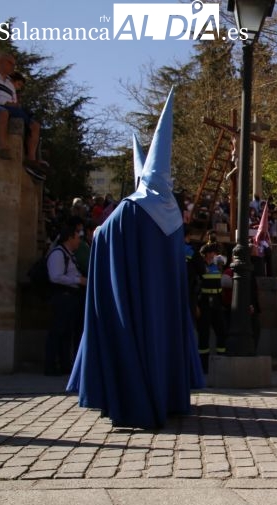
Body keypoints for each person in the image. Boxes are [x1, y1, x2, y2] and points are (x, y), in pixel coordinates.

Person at [67, 89, 204, 428]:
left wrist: (100, 234)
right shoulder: (174, 215)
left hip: (133, 296)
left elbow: (102, 236)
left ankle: (138, 399)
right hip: (163, 301)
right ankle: (168, 395)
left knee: (139, 332)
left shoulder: (130, 209)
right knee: (162, 330)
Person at [44, 223, 87, 375]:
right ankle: (50, 366)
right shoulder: (58, 254)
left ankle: (64, 365)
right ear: (69, 237)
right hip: (62, 298)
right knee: (57, 332)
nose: (79, 241)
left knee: (67, 334)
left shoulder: (69, 254)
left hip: (71, 299)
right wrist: (77, 280)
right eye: (77, 238)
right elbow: (55, 277)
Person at [0, 53, 44, 177]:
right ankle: (2, 146)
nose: (13, 67)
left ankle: (31, 158)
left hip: (10, 107)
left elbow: (13, 100)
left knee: (35, 125)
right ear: (1, 62)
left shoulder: (9, 83)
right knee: (3, 112)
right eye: (10, 64)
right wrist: (5, 102)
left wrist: (14, 104)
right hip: (0, 106)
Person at [196, 242, 227, 372]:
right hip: (204, 303)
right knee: (204, 334)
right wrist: (196, 305)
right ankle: (204, 365)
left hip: (217, 304)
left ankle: (221, 360)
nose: (215, 254)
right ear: (207, 254)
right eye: (213, 252)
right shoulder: (199, 268)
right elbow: (196, 287)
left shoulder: (216, 267)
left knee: (221, 331)